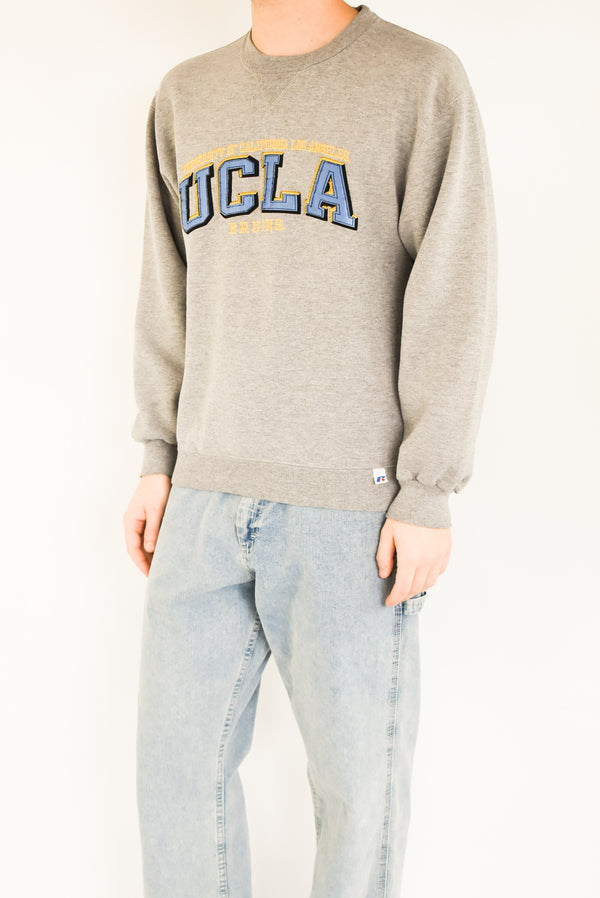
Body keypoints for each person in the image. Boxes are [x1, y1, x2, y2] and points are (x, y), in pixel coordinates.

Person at [122, 1, 497, 895]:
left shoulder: (419, 79)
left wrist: (427, 487)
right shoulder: (186, 96)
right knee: (176, 786)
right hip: (201, 499)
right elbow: (167, 288)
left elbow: (455, 288)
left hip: (351, 511)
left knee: (358, 796)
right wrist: (157, 456)